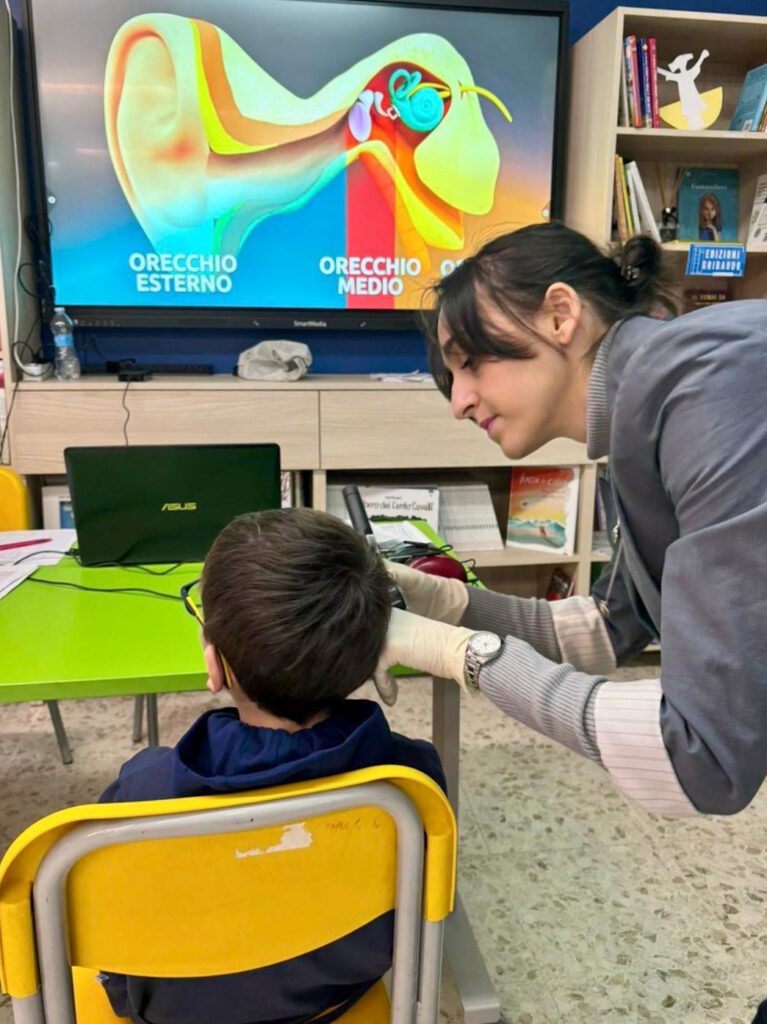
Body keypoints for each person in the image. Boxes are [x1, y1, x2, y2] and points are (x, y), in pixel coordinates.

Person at [371, 221, 767, 1020]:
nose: (458, 402)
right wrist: (446, 602)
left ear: (560, 316)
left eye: (469, 362)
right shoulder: (649, 404)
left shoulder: (710, 388)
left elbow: (701, 758)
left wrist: (469, 654)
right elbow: (608, 628)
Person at [99, 507, 445, 1024]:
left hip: (170, 1010)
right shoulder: (413, 779)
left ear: (215, 664)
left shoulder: (143, 790)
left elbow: (99, 929)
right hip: (337, 998)